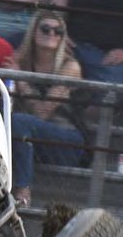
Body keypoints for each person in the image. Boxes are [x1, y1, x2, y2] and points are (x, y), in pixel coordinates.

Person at [8, 10, 84, 207]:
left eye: (58, 31)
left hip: (66, 141)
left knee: (19, 121)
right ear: (33, 32)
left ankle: (22, 190)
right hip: (30, 140)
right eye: (45, 28)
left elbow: (43, 112)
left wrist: (21, 81)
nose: (52, 34)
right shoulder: (21, 61)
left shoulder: (70, 66)